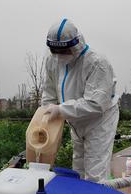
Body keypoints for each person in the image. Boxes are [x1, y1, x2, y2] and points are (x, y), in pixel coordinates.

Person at [42, 18, 119, 182]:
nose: (60, 56)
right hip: (75, 119)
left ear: (75, 45)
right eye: (56, 52)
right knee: (78, 166)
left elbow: (95, 104)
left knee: (95, 170)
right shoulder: (52, 62)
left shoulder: (97, 63)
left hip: (99, 120)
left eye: (64, 52)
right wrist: (45, 114)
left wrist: (60, 110)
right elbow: (49, 93)